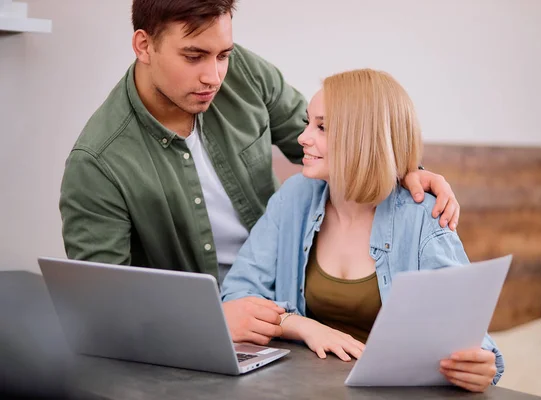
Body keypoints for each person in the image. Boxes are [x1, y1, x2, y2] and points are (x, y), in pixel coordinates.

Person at [59, 0, 460, 349]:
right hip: (187, 339)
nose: (214, 76)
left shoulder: (244, 74)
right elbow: (105, 314)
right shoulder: (97, 163)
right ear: (143, 45)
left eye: (223, 55)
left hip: (282, 310)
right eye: (194, 56)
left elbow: (339, 141)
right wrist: (212, 322)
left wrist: (404, 175)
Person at [221, 69, 504, 392]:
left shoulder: (423, 215)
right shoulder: (294, 197)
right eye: (307, 123)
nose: (303, 138)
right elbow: (238, 297)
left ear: (363, 138)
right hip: (301, 386)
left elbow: (466, 331)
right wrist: (303, 327)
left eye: (322, 127)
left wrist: (480, 364)